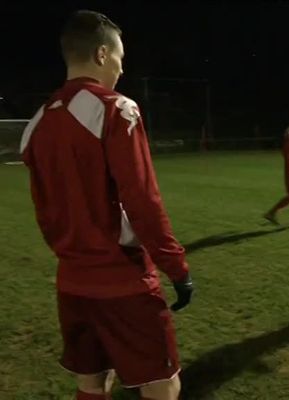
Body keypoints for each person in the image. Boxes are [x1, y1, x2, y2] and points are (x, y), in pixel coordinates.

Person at [20, 10, 193, 400]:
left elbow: (44, 206)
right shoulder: (117, 108)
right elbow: (143, 200)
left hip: (72, 283)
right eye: (119, 59)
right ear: (101, 54)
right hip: (123, 281)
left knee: (92, 382)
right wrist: (176, 267)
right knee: (163, 384)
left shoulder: (37, 122)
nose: (120, 69)